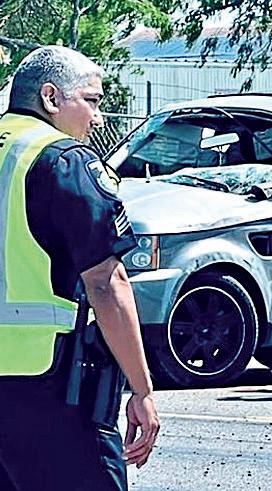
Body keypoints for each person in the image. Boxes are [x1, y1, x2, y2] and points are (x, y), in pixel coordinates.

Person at [0, 45, 159, 490]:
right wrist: (142, 389)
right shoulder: (63, 160)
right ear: (51, 98)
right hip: (48, 384)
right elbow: (106, 284)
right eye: (91, 100)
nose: (99, 117)